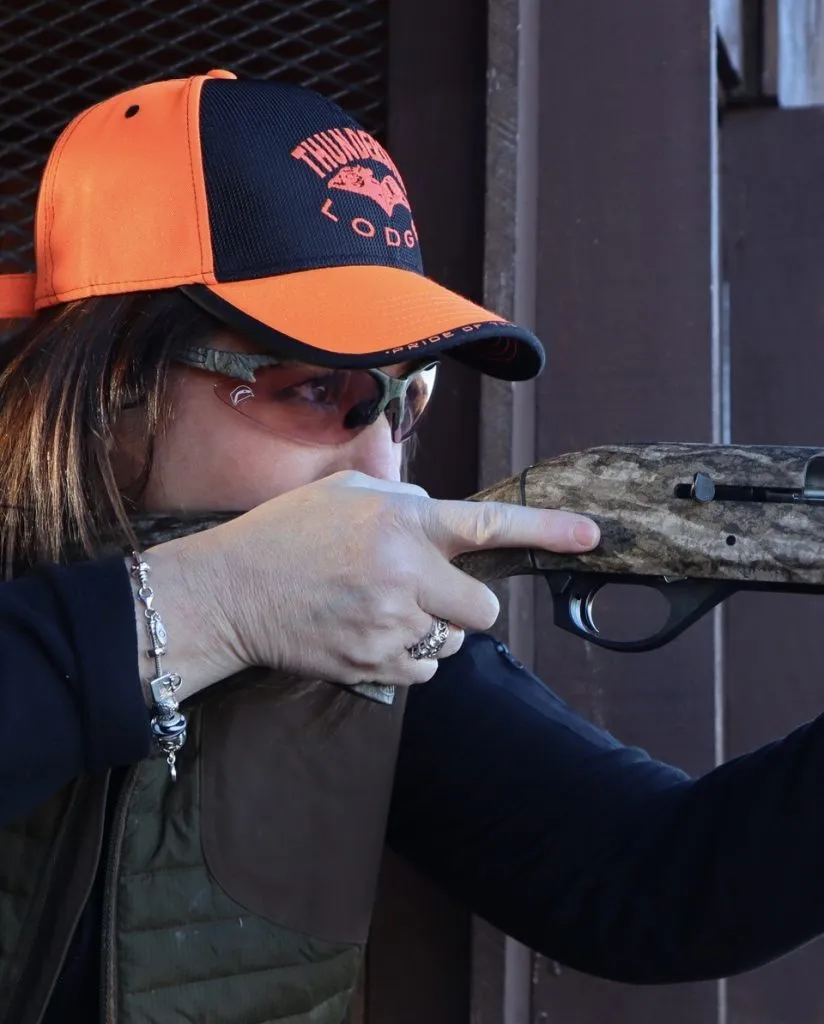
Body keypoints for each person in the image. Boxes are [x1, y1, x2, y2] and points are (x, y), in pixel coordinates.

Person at [1, 69, 824, 1024]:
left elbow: (659, 886)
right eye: (321, 390)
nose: (384, 468)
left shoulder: (364, 629)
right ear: (111, 381)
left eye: (407, 399)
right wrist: (207, 608)